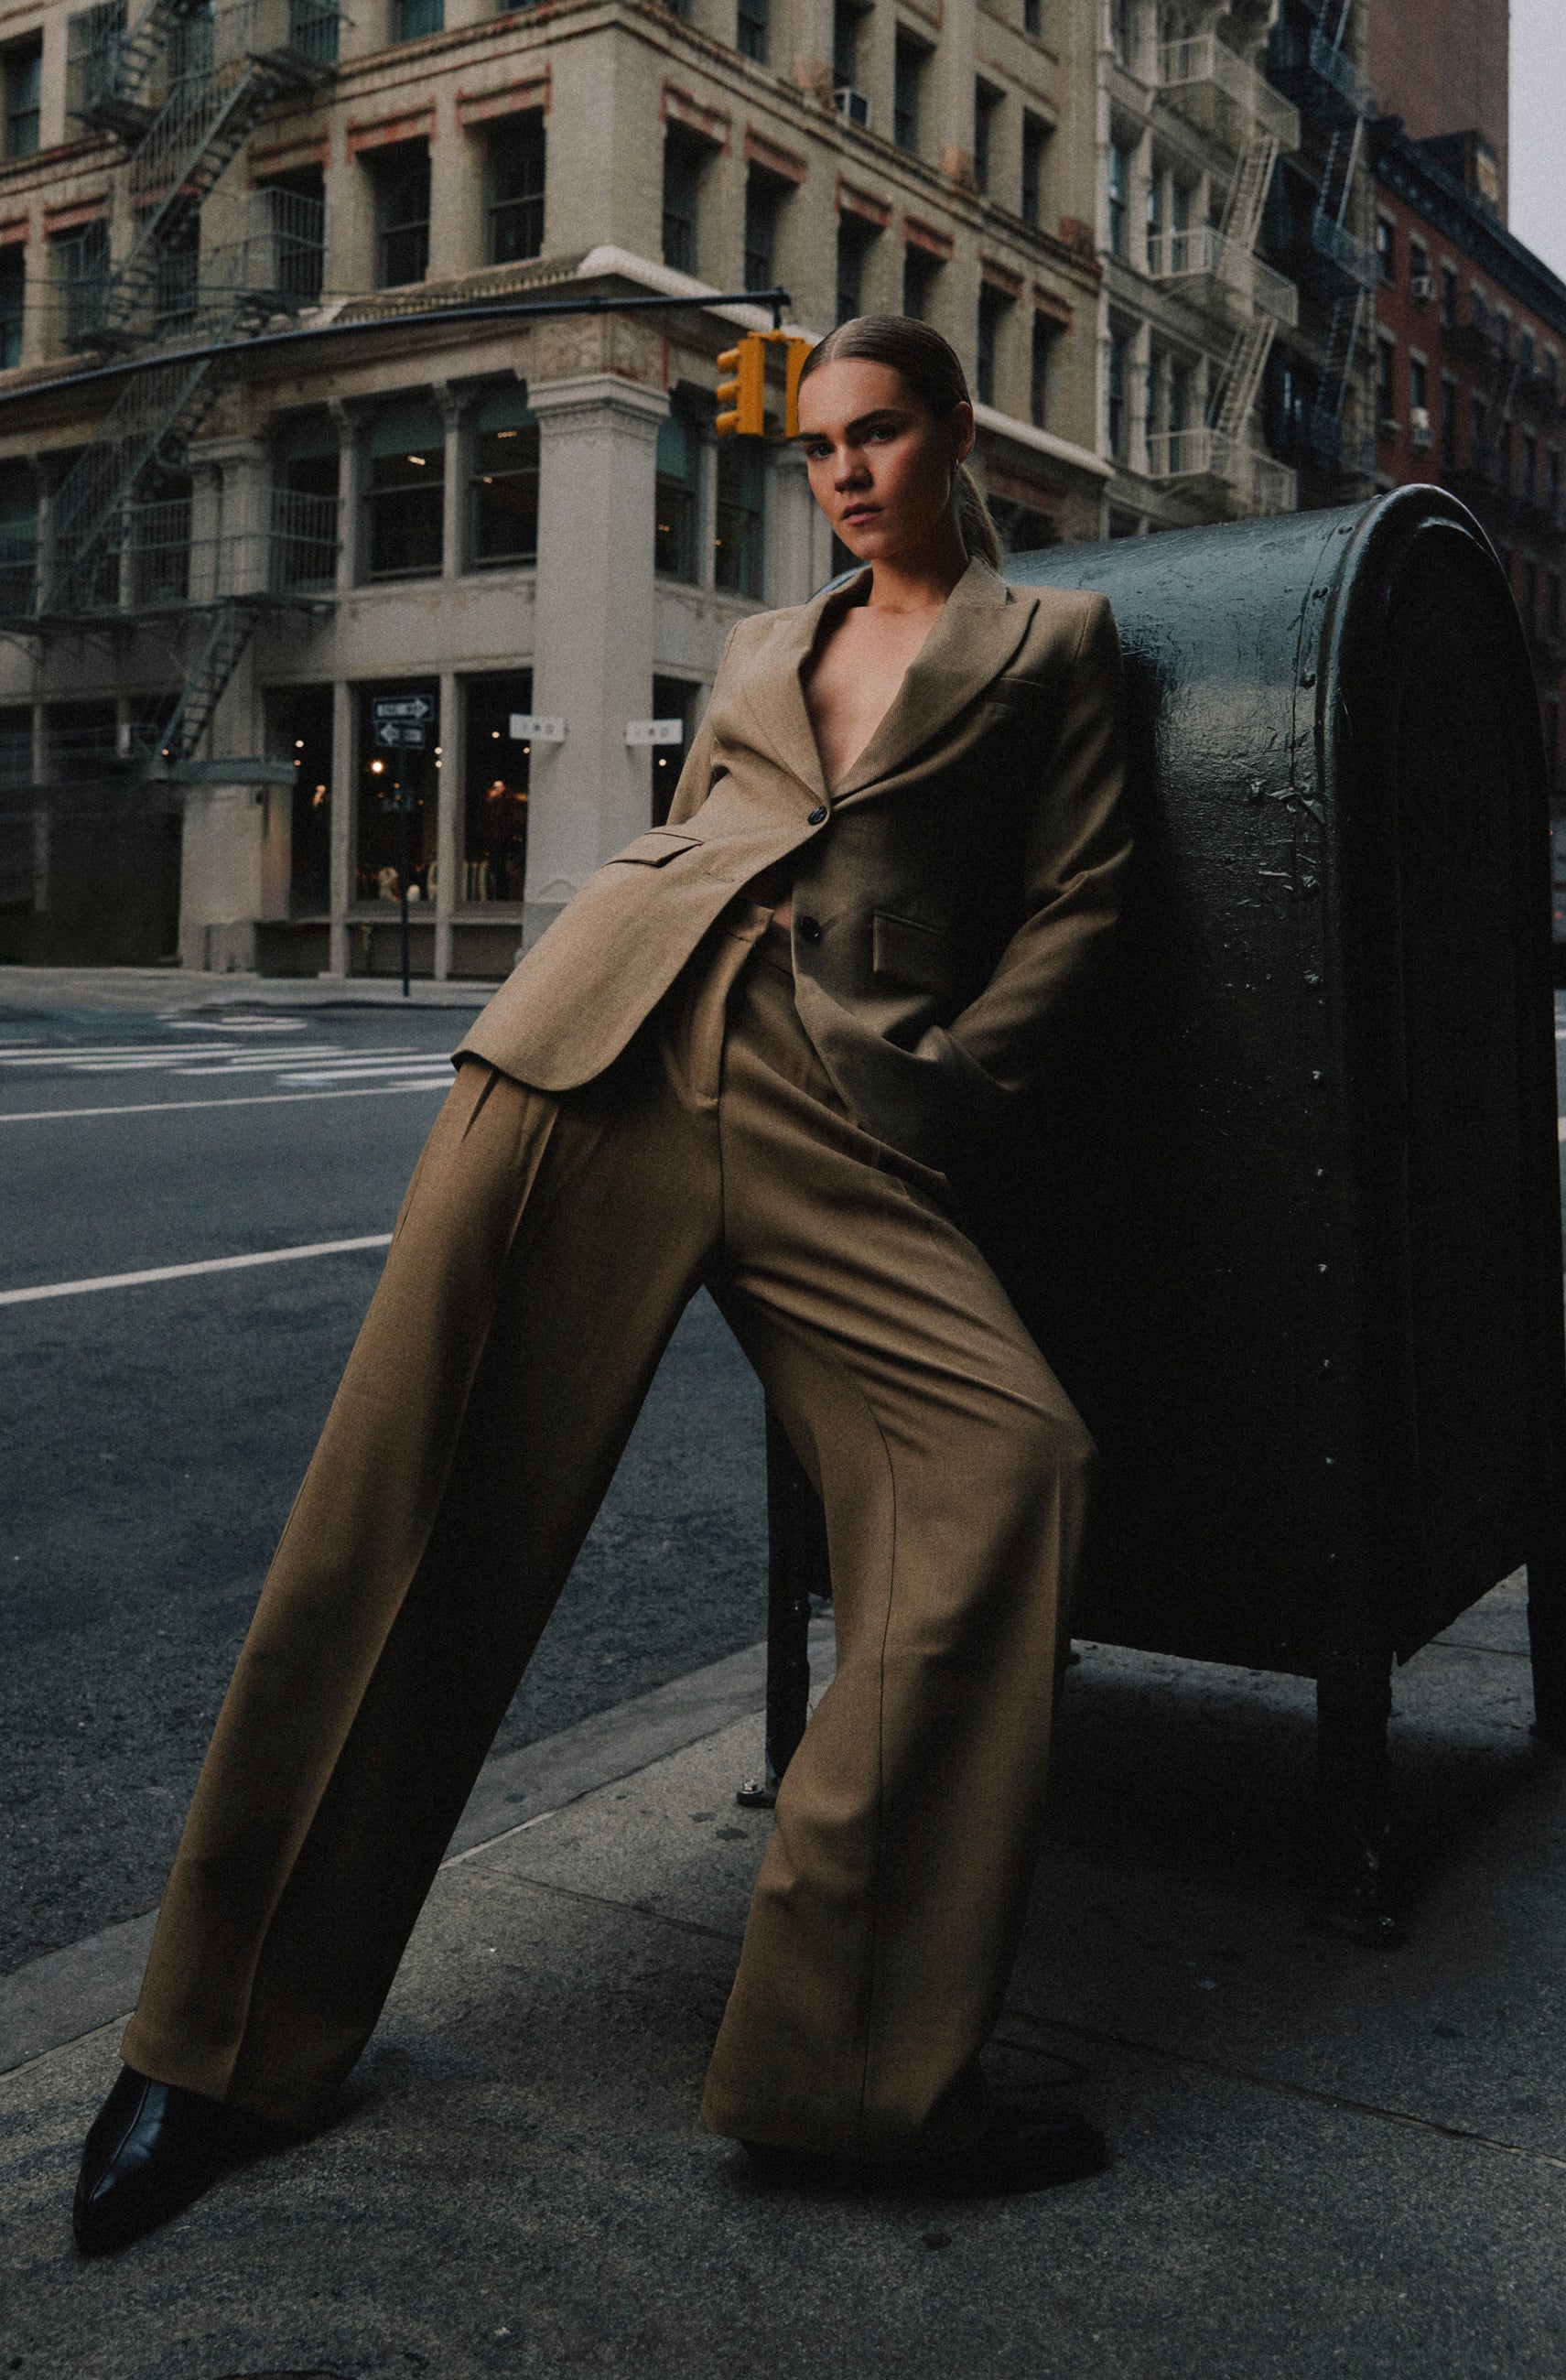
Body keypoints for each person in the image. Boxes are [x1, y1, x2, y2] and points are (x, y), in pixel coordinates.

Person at [71, 314, 1131, 2256]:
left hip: (844, 1103)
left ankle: (852, 2068)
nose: (847, 473)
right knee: (399, 1516)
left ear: (956, 439)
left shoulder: (1054, 648)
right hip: (601, 1048)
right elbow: (706, 829)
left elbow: (1080, 898)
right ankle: (210, 2047)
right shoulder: (754, 649)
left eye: (882, 435)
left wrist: (950, 1083)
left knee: (1008, 1463)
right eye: (820, 447)